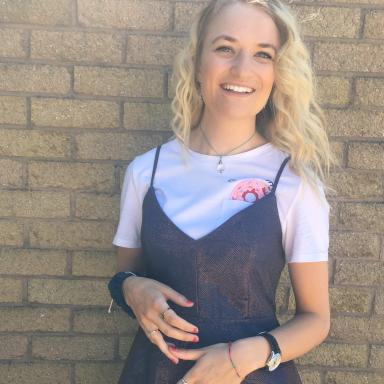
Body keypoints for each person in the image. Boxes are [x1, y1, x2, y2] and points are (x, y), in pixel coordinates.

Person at [108, 0, 337, 382]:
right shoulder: (146, 171)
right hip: (154, 373)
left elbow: (316, 320)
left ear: (277, 72)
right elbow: (123, 277)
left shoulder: (294, 183)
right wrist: (132, 288)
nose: (242, 69)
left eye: (263, 55)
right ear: (198, 63)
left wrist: (244, 355)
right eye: (225, 48)